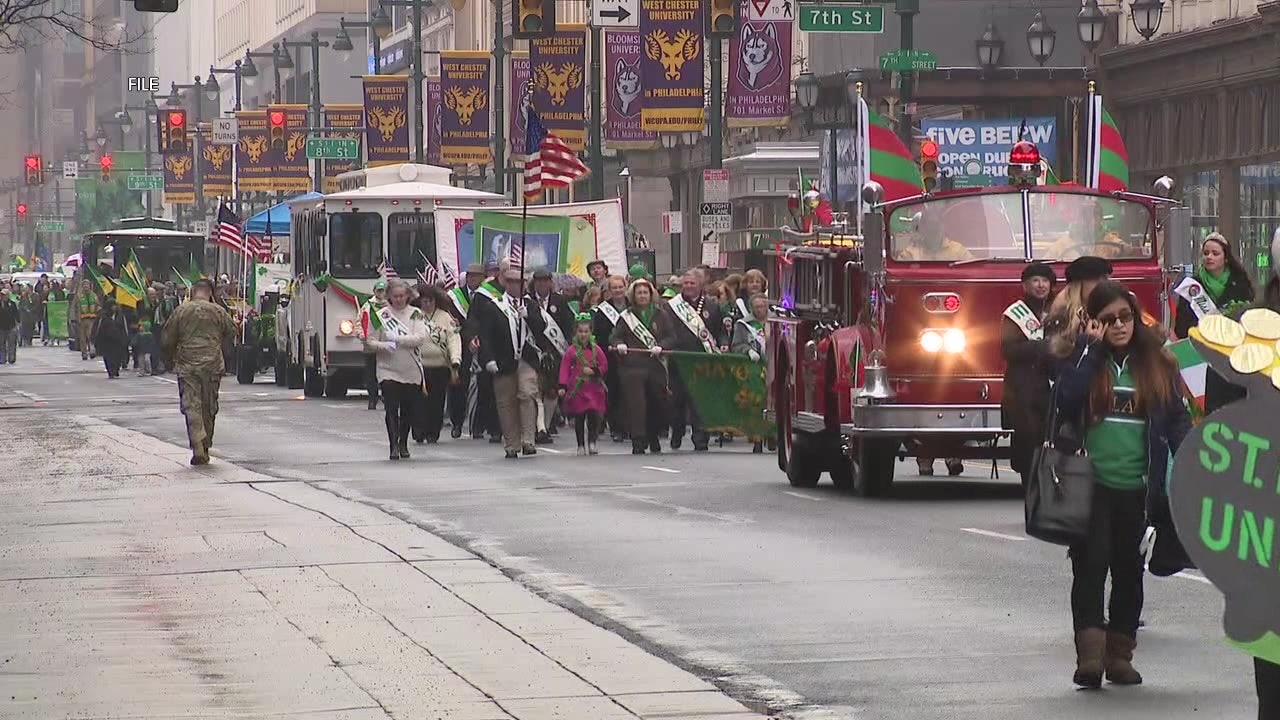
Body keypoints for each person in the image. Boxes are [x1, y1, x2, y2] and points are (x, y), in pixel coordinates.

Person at [1055, 280, 1190, 689]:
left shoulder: (1156, 365)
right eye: (1108, 319)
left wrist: (1193, 462)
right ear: (1093, 322)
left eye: (1125, 317)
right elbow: (1066, 400)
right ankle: (1090, 658)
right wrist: (1090, 351)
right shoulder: (1082, 359)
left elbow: (1177, 422)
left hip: (1138, 488)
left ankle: (1119, 656)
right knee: (1091, 567)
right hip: (1089, 487)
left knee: (1129, 571)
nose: (1118, 326)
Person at [160, 278, 237, 464]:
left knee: (191, 404)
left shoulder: (181, 311)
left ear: (192, 291)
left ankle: (197, 442)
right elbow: (233, 332)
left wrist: (169, 359)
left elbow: (167, 338)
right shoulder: (218, 311)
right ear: (210, 293)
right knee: (209, 406)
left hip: (188, 364)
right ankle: (206, 442)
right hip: (212, 363)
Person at [476, 268, 546, 458]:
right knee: (506, 402)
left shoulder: (530, 305)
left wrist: (528, 317)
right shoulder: (495, 306)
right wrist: (488, 359)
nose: (517, 286)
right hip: (503, 360)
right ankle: (512, 443)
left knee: (527, 395)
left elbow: (541, 328)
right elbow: (486, 336)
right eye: (513, 282)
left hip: (527, 359)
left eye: (521, 282)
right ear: (506, 284)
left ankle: (528, 440)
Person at [1001, 262, 1057, 487]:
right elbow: (1009, 350)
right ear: (1025, 285)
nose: (1041, 285)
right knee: (1028, 443)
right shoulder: (1015, 314)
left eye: (1045, 280)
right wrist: (1043, 347)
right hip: (1024, 390)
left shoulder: (1059, 309)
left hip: (1052, 386)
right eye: (1035, 280)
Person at [361, 278, 428, 460]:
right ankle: (393, 446)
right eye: (395, 296)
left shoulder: (416, 314)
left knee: (407, 409)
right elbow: (370, 340)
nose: (398, 299)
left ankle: (403, 443)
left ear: (407, 296)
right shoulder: (381, 315)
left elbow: (420, 338)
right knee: (391, 408)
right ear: (389, 296)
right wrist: (384, 346)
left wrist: (398, 339)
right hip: (388, 368)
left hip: (411, 368)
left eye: (402, 296)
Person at [661, 270, 726, 451]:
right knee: (678, 400)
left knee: (700, 399)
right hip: (679, 360)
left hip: (703, 360)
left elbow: (720, 331)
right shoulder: (671, 307)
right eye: (686, 283)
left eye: (692, 283)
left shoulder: (712, 306)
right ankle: (677, 430)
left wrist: (723, 344)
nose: (688, 286)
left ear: (700, 285)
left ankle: (700, 436)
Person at [611, 277, 669, 454]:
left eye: (645, 292)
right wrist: (619, 343)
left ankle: (653, 436)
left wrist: (662, 346)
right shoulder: (627, 316)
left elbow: (671, 336)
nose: (642, 296)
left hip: (654, 366)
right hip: (632, 367)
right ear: (633, 295)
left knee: (656, 403)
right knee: (637, 405)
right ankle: (638, 439)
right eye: (639, 293)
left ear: (651, 295)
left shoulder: (661, 314)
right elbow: (615, 336)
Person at [1172, 232, 1256, 339]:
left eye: (1215, 253)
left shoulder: (1240, 283)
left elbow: (1249, 319)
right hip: (1198, 345)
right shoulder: (1192, 287)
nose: (1209, 257)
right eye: (1206, 253)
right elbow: (1181, 328)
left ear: (1226, 258)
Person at [527, 268, 574, 445]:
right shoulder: (527, 301)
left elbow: (568, 326)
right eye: (538, 281)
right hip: (533, 350)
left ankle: (545, 425)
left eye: (545, 280)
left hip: (555, 352)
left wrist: (567, 347)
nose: (542, 284)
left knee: (552, 391)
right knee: (536, 391)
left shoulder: (559, 301)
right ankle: (538, 428)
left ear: (550, 282)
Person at [413, 285, 461, 444]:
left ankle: (433, 431)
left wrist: (455, 359)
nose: (426, 304)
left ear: (435, 301)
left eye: (429, 301)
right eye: (423, 301)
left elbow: (453, 339)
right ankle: (418, 430)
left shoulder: (446, 318)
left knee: (437, 401)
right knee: (418, 401)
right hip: (419, 366)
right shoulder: (415, 316)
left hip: (439, 367)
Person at [559, 313, 609, 455]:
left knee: (594, 416)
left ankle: (592, 441)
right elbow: (564, 368)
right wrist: (562, 386)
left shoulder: (596, 350)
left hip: (593, 389)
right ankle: (580, 444)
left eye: (586, 331)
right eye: (580, 331)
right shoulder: (571, 351)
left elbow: (604, 365)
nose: (583, 334)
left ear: (591, 332)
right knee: (579, 418)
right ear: (576, 332)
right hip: (578, 389)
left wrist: (595, 371)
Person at [1046, 256, 1113, 359]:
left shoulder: (1111, 310)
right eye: (1098, 280)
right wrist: (1088, 343)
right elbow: (1057, 363)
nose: (1106, 285)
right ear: (1079, 284)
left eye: (1106, 279)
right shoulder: (1061, 317)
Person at [732, 293, 772, 453]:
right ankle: (757, 438)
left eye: (762, 307)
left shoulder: (774, 322)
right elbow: (736, 344)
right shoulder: (744, 324)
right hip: (754, 369)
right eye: (756, 307)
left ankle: (773, 435)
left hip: (773, 365)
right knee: (757, 401)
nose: (760, 310)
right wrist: (748, 350)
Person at [594, 275, 629, 442]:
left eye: (620, 287)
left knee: (630, 393)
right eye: (614, 288)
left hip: (632, 356)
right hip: (611, 356)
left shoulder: (633, 306)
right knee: (614, 392)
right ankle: (616, 427)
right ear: (609, 290)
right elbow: (599, 335)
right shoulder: (602, 311)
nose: (618, 290)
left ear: (625, 287)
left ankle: (631, 426)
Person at [358, 280, 389, 410]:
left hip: (386, 345)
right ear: (374, 291)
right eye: (378, 290)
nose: (380, 293)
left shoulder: (390, 307)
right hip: (370, 345)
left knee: (386, 374)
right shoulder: (367, 306)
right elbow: (359, 322)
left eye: (382, 290)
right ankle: (372, 399)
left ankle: (387, 398)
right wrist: (361, 335)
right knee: (371, 375)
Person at [94, 299, 129, 378]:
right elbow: (98, 328)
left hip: (118, 340)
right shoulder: (103, 316)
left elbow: (124, 327)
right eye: (113, 305)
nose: (114, 307)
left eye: (115, 305)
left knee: (118, 357)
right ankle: (111, 372)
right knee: (108, 357)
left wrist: (125, 339)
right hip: (107, 341)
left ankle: (116, 370)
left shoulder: (120, 315)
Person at [77, 279, 99, 360]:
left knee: (90, 336)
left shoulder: (94, 296)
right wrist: (77, 319)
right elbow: (77, 308)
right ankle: (84, 353)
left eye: (87, 285)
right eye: (84, 285)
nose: (86, 286)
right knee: (82, 338)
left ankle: (92, 351)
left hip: (92, 319)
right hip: (82, 320)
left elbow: (97, 306)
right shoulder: (79, 296)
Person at [0, 289, 18, 364]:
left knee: (12, 344)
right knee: (1, 344)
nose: (3, 296)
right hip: (1, 327)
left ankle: (11, 358)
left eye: (4, 295)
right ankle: (2, 359)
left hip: (11, 326)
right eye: (2, 295)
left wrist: (18, 323)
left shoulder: (12, 304)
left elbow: (16, 314)